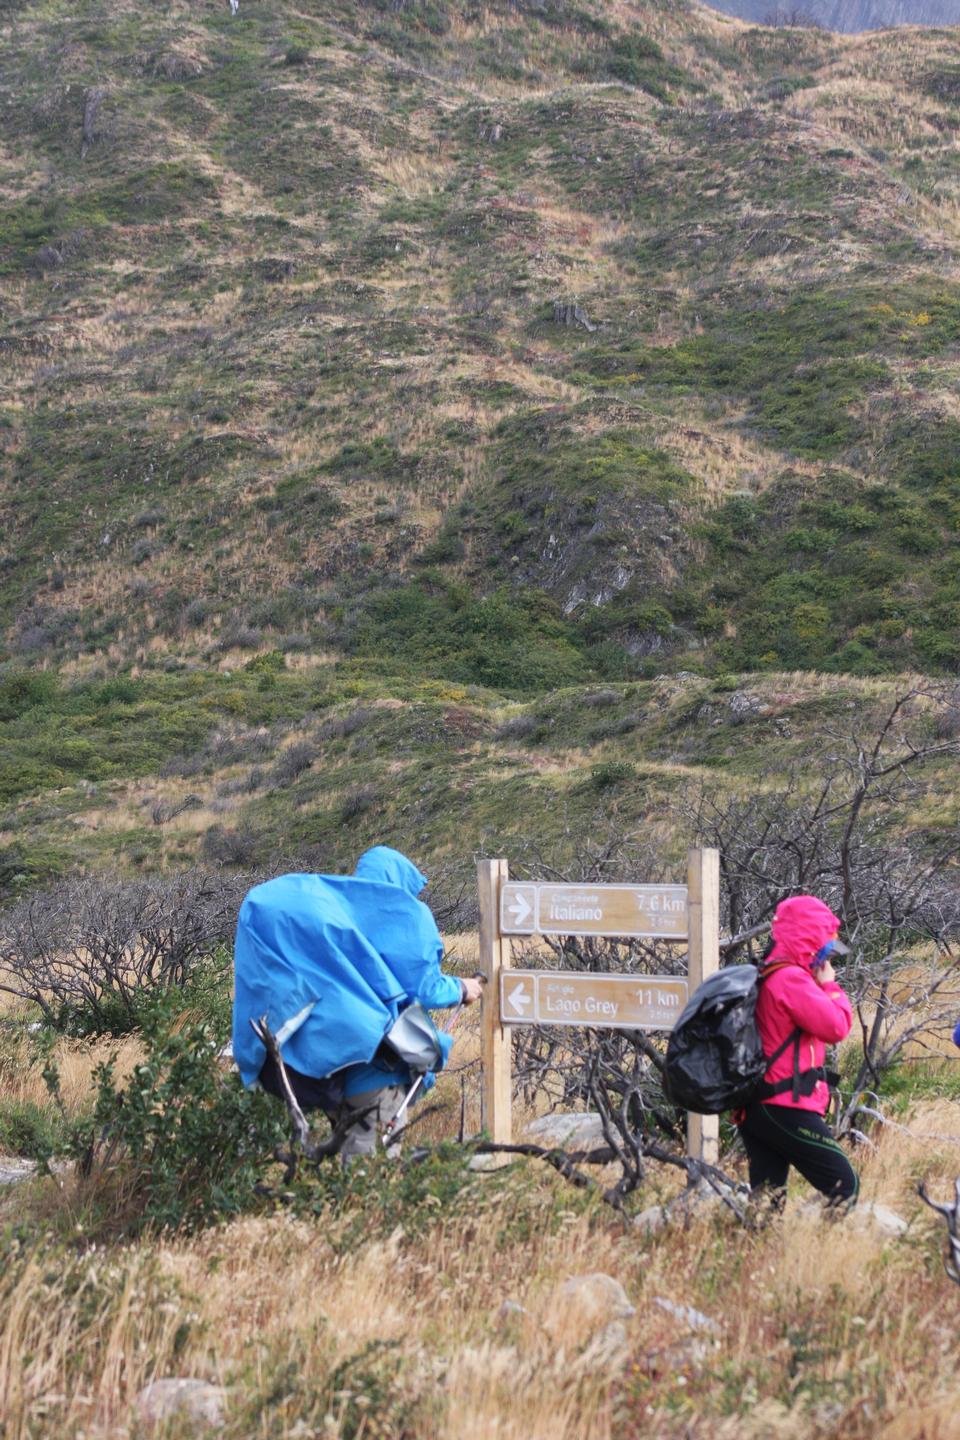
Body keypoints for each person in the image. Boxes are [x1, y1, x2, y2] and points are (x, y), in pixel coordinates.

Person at [232, 846, 482, 1161]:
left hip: (331, 1069)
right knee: (369, 1167)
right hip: (379, 1071)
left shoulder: (339, 914)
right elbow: (424, 988)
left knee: (348, 1156)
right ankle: (361, 1209)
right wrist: (462, 987)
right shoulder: (400, 916)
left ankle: (339, 1206)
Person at [737, 894, 859, 1211]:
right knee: (844, 1185)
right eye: (824, 949)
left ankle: (759, 1255)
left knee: (767, 1202)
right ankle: (826, 1253)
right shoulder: (791, 978)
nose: (826, 958)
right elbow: (837, 1027)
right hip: (784, 1104)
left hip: (756, 1105)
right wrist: (830, 986)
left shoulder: (769, 971)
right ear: (809, 941)